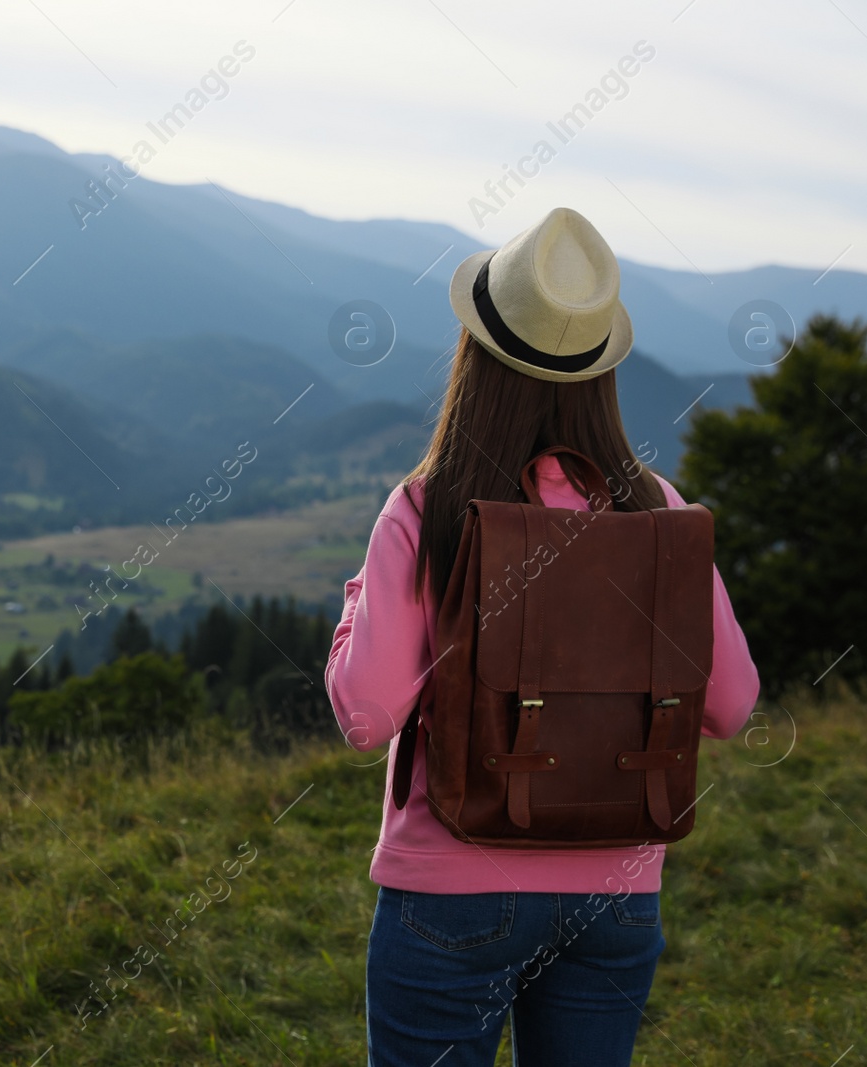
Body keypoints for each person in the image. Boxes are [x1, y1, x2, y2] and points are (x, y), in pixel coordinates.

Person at [325, 207, 760, 1066]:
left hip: (450, 885)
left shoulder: (427, 508)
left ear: (474, 358)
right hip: (618, 891)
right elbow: (734, 705)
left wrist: (356, 605)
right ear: (600, 370)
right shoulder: (658, 511)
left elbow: (366, 714)